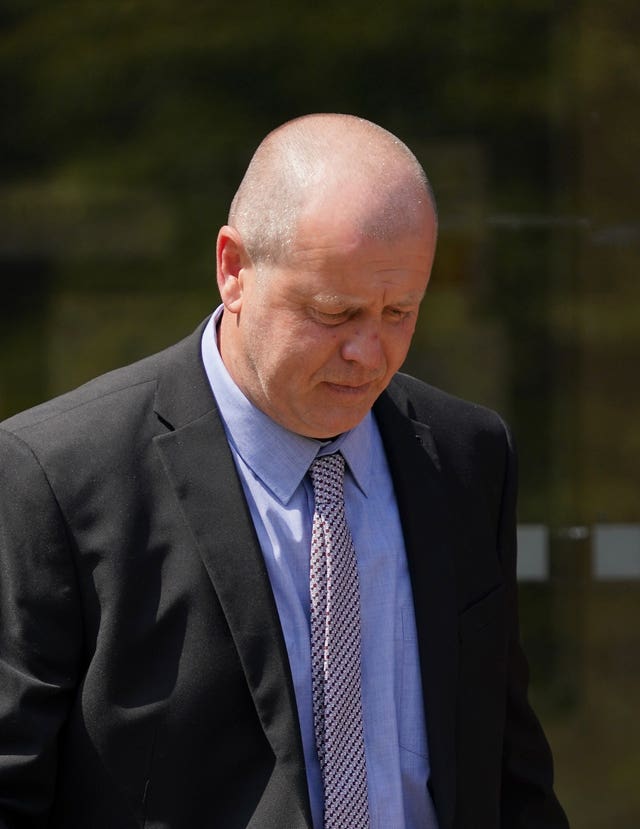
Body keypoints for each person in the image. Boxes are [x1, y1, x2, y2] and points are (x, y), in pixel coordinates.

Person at [0, 114, 568, 829]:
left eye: (401, 311)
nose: (371, 351)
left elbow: (508, 774)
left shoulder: (468, 456)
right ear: (234, 269)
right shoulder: (54, 475)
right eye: (335, 312)